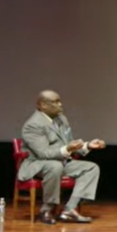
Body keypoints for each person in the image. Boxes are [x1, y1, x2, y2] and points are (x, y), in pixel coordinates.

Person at [18, 90, 105, 225]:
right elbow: (43, 153)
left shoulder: (61, 119)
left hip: (60, 162)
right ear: (43, 105)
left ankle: (69, 209)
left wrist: (88, 146)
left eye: (60, 101)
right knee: (54, 166)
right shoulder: (33, 125)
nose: (60, 105)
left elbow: (68, 143)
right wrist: (68, 148)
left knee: (91, 168)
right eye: (55, 102)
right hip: (37, 164)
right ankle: (47, 209)